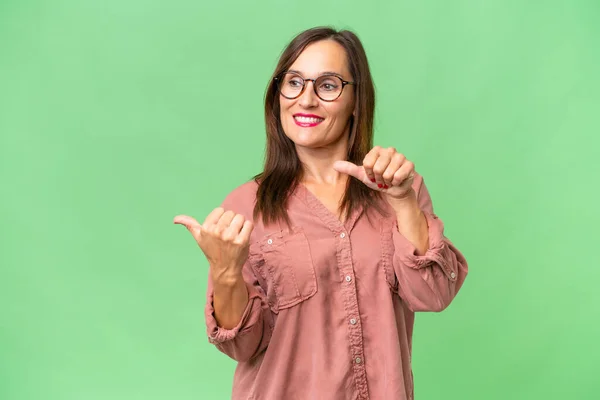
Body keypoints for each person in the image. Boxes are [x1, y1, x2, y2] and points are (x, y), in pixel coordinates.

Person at [174, 26, 468, 400]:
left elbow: (433, 294)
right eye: (294, 82)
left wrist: (403, 202)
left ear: (356, 99)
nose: (306, 99)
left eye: (327, 85)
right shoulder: (245, 205)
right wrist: (226, 273)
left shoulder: (399, 189)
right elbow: (240, 346)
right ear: (277, 95)